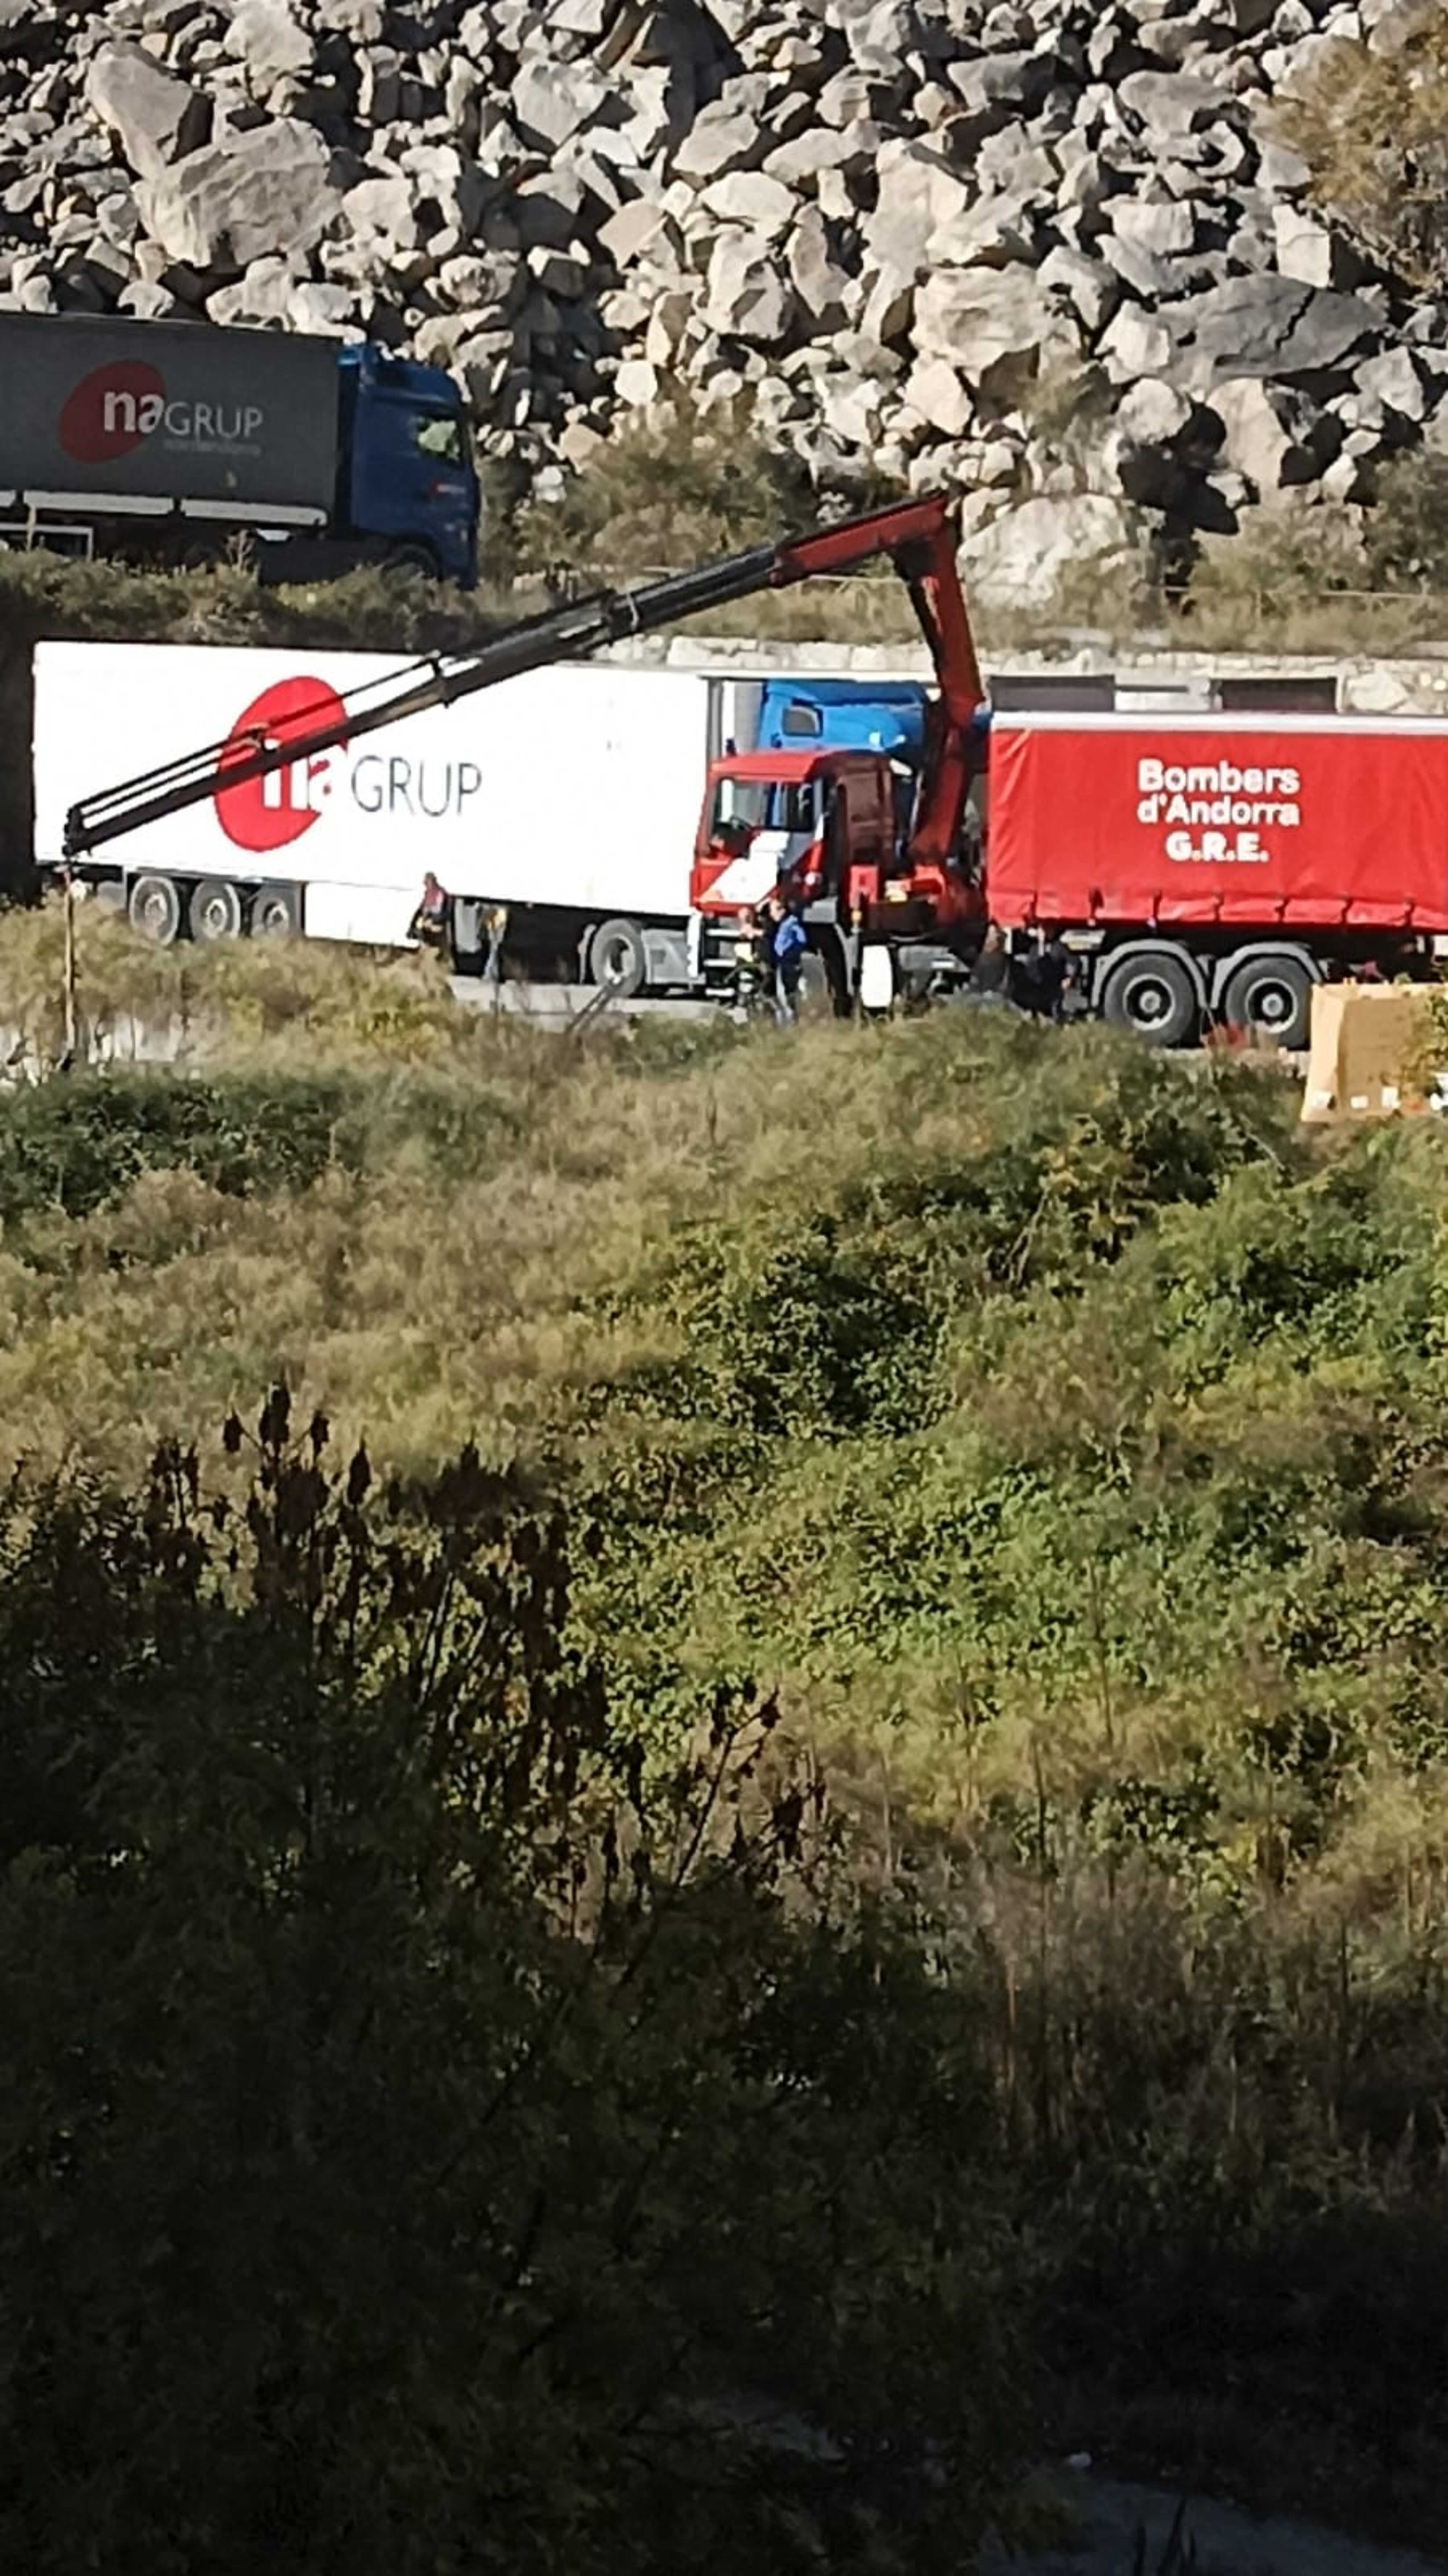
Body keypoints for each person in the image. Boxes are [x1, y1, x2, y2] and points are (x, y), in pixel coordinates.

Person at [769, 896, 807, 1027]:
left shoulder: (792, 924)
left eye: (774, 911)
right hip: (782, 962)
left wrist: (791, 953)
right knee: (781, 994)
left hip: (789, 962)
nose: (772, 915)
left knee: (787, 993)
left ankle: (791, 1021)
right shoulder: (781, 925)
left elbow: (802, 941)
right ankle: (784, 1022)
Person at [729, 906, 763, 1022]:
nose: (747, 918)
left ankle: (754, 1015)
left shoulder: (758, 929)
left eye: (749, 916)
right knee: (744, 990)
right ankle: (741, 1017)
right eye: (744, 916)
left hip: (755, 964)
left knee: (755, 992)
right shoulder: (736, 930)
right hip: (744, 965)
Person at [408, 870, 451, 964]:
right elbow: (422, 909)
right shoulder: (429, 893)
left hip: (438, 920)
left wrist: (429, 918)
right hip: (432, 919)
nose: (424, 883)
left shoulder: (439, 893)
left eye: (426, 881)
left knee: (423, 927)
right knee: (419, 928)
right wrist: (412, 925)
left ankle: (430, 953)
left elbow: (439, 910)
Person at [481, 900, 508, 1001]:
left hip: (497, 923)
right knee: (494, 951)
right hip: (495, 924)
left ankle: (490, 973)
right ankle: (492, 973)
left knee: (495, 951)